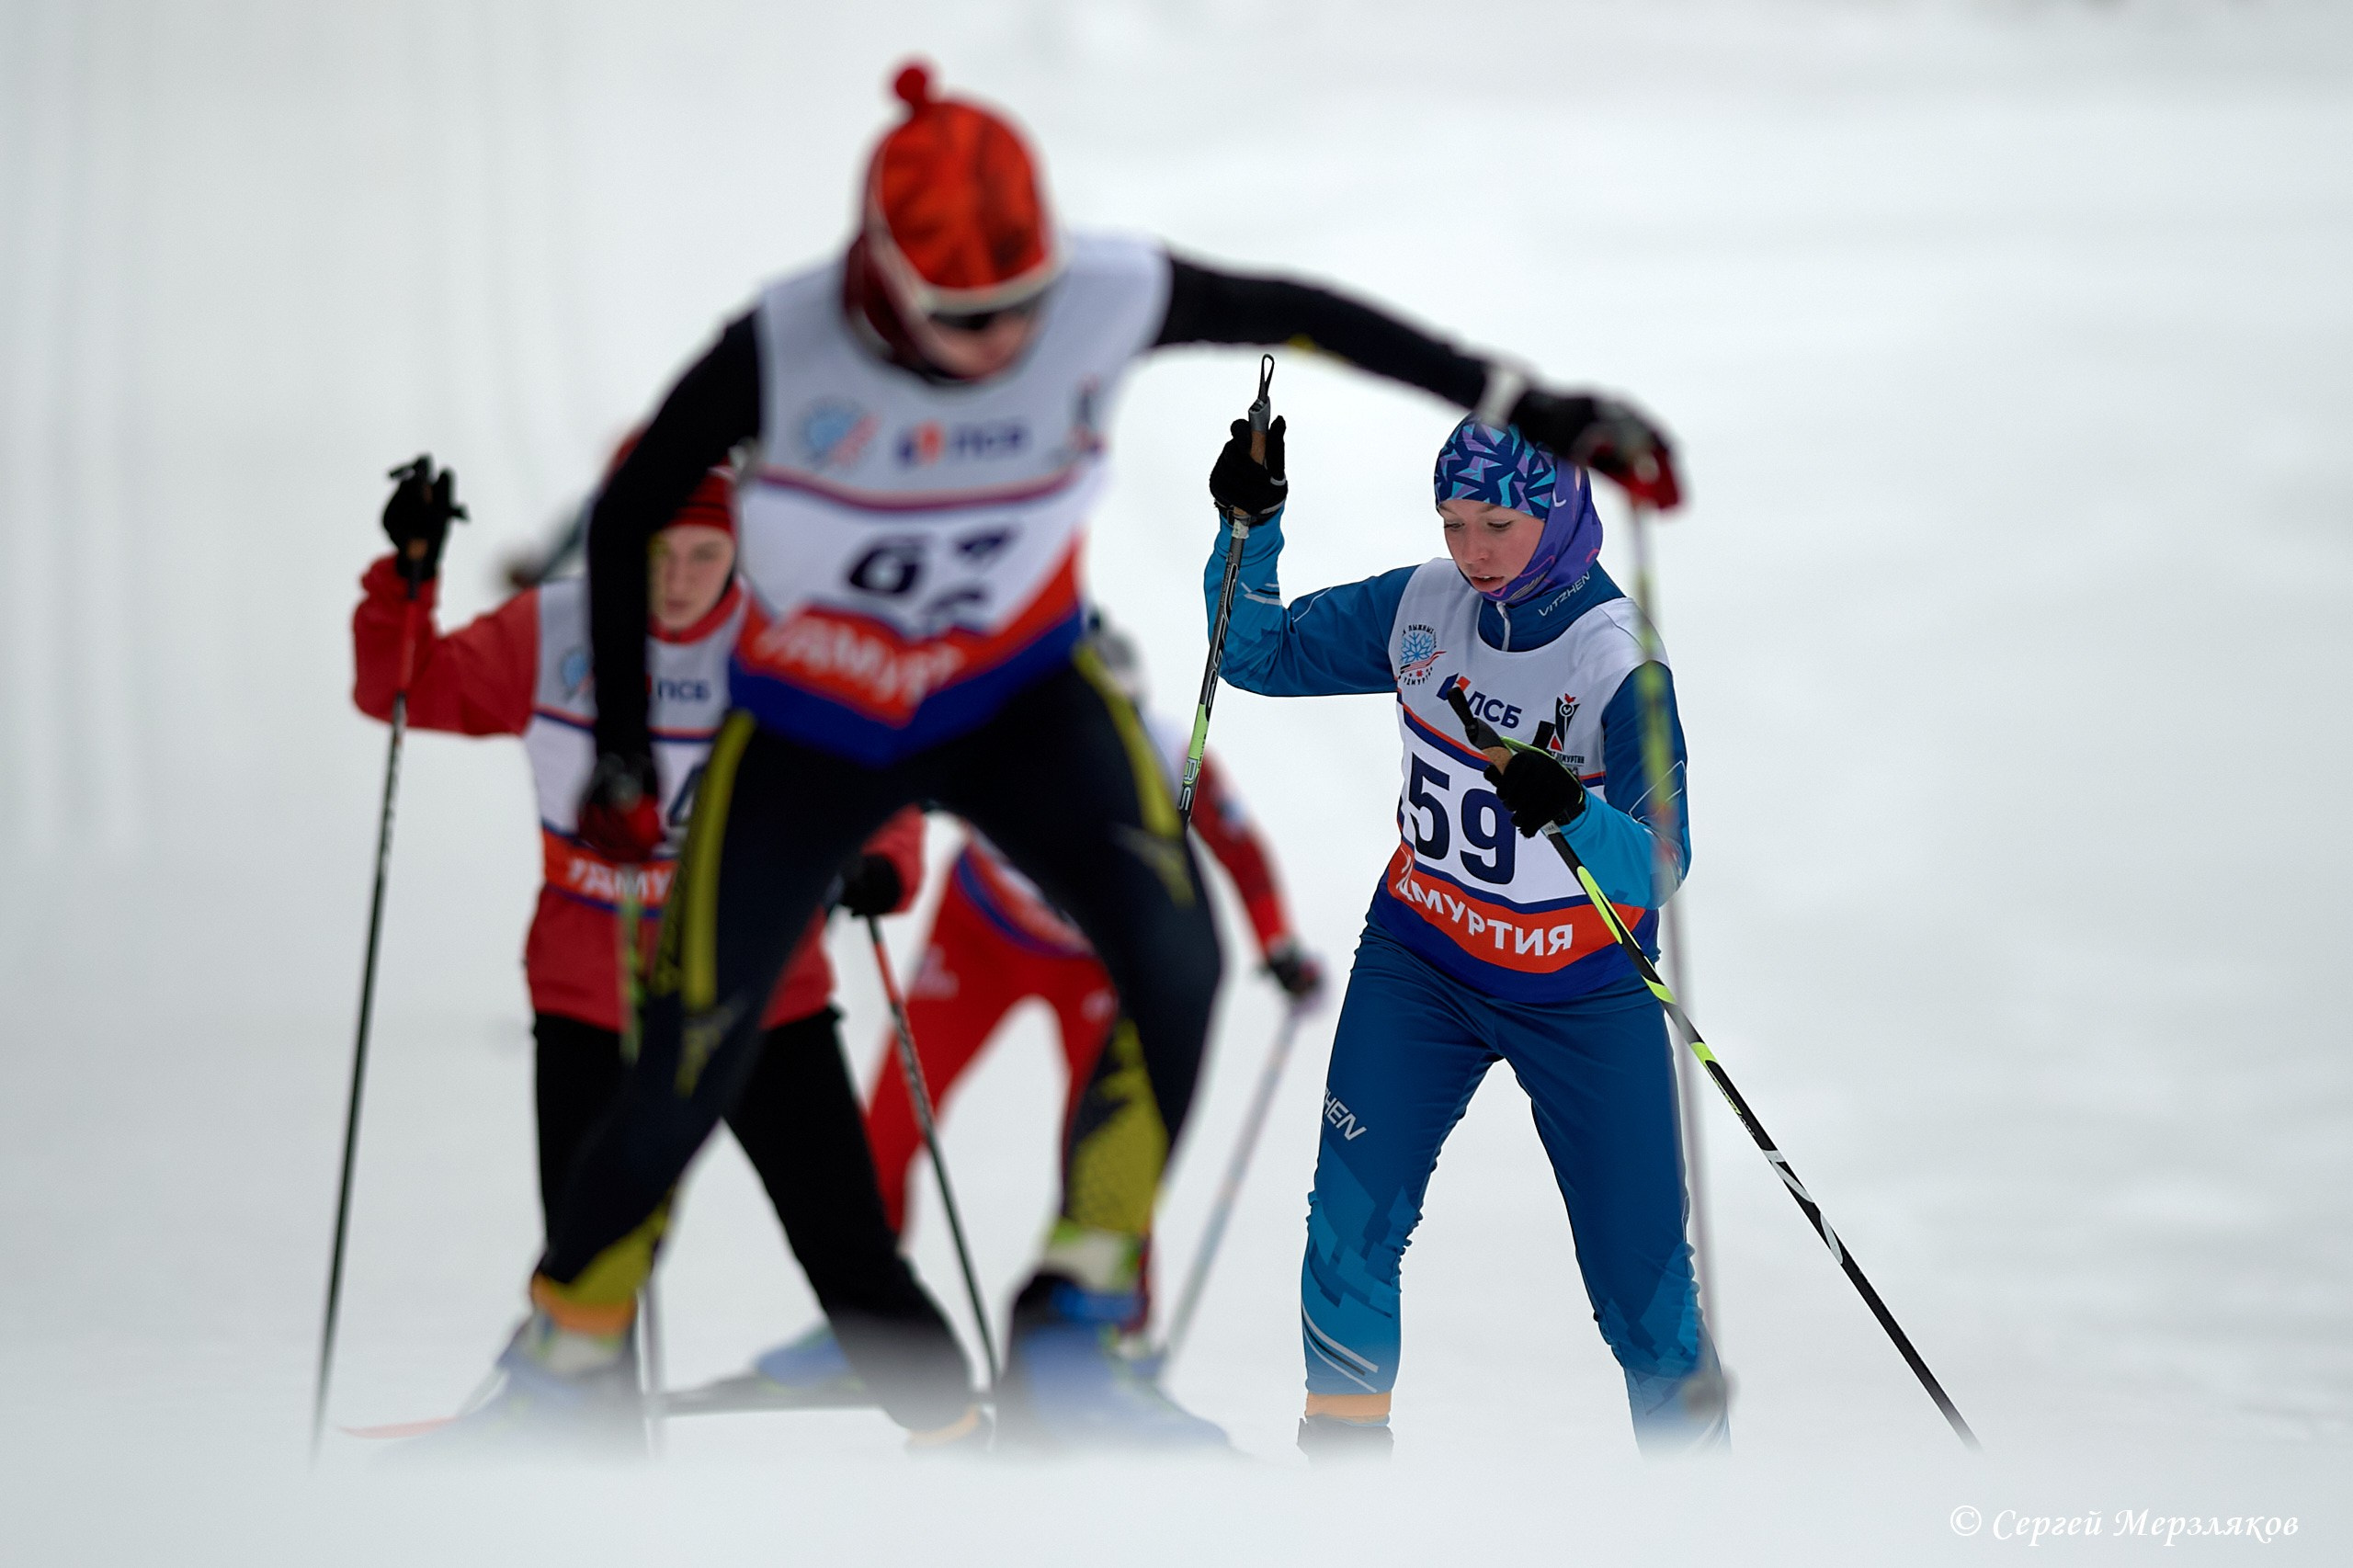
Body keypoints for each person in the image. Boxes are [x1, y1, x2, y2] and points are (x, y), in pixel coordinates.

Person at [506, 59, 1682, 1450]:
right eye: (966, 315)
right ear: (884, 279)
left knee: (1177, 961)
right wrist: (629, 748)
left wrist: (1524, 397)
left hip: (1017, 688)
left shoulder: (1100, 294)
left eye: (1023, 303)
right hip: (819, 709)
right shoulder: (786, 338)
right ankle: (564, 1357)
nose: (1006, 337)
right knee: (697, 1031)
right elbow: (640, 498)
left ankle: (1078, 1307)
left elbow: (1299, 313)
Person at [352, 456, 983, 1450]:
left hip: (760, 995)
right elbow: (403, 690)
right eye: (660, 552)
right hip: (589, 993)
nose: (680, 577)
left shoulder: (788, 643)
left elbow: (884, 765)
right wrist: (409, 572)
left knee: (843, 1244)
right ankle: (586, 1454)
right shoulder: (552, 627)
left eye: (705, 554)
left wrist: (880, 865)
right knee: (591, 1250)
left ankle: (951, 1428)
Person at [1203, 414, 1724, 1460]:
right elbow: (1253, 653)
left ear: (1561, 513)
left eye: (1497, 523)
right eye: (1452, 523)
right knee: (1346, 1231)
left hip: (1582, 992)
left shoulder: (1616, 662)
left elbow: (1659, 864)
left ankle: (1698, 1515)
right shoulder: (1424, 605)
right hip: (1423, 962)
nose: (1473, 551)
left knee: (1640, 1287)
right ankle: (1341, 1502)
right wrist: (1247, 527)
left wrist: (1570, 807)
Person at [751, 619, 1323, 1400]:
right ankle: (866, 1332)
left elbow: (1239, 849)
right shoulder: (994, 732)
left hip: (1090, 963)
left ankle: (1110, 1333)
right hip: (978, 935)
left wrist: (1277, 943)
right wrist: (859, 864)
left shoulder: (1164, 755)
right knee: (890, 1117)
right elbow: (887, 786)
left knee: (1106, 1144)